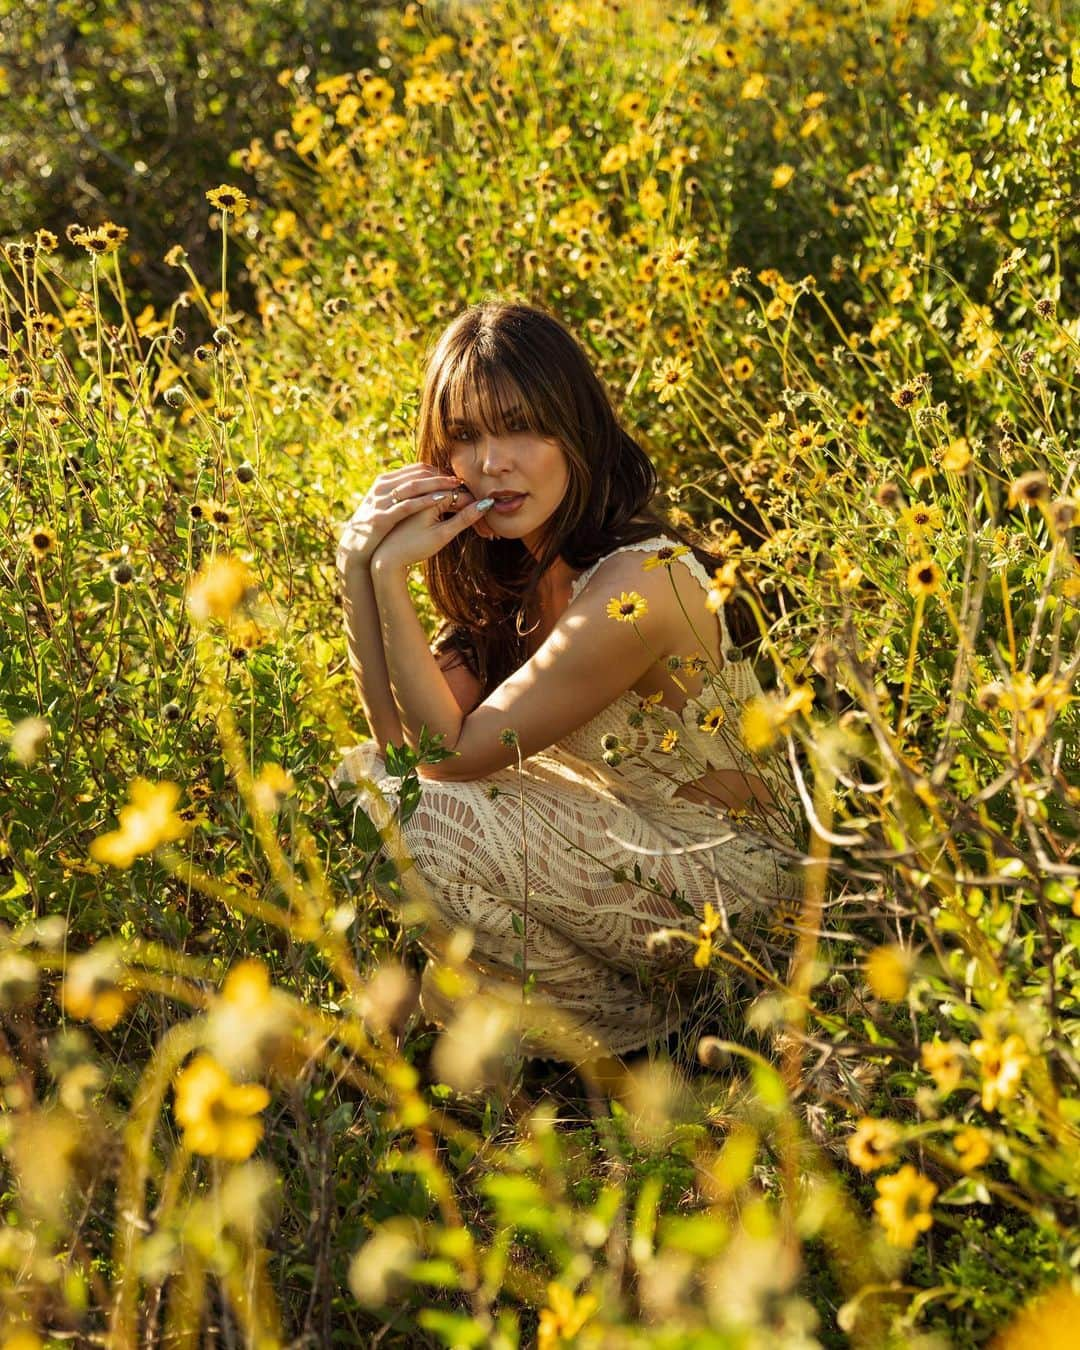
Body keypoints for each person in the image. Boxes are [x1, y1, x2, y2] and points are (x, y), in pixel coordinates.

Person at [331, 300, 803, 1060]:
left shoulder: (637, 584)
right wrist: (362, 568)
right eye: (466, 436)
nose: (492, 462)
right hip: (631, 851)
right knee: (367, 784)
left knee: (418, 816)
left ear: (576, 430)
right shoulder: (511, 569)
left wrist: (388, 581)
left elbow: (446, 760)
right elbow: (401, 748)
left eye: (521, 427)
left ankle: (639, 1037)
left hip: (731, 884)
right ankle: (602, 1019)